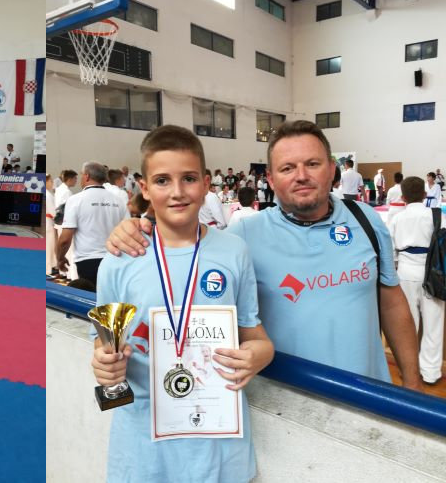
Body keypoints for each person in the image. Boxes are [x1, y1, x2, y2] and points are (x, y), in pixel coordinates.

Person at [105, 121, 424, 390]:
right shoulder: (242, 237)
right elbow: (181, 258)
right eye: (287, 168)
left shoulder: (366, 221)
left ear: (331, 170)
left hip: (369, 395)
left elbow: (392, 303)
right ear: (270, 179)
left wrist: (412, 382)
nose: (301, 175)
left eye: (312, 164)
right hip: (287, 403)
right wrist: (138, 226)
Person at [92, 125, 273, 483]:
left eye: (188, 179)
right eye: (162, 181)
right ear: (144, 188)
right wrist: (104, 366)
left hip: (219, 443)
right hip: (144, 446)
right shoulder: (118, 260)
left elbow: (256, 337)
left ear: (206, 184)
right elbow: (103, 344)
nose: (177, 192)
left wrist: (259, 355)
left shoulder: (233, 252)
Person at [386, 177, 445, 385]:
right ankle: (431, 372)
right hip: (434, 273)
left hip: (405, 271)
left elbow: (390, 251)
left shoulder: (396, 219)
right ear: (425, 194)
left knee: (408, 325)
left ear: (402, 197)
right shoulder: (437, 216)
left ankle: (408, 369)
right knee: (433, 324)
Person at [56, 161, 126, 284]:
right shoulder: (118, 200)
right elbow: (127, 230)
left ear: (87, 176)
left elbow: (65, 239)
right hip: (116, 258)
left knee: (91, 294)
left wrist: (60, 258)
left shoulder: (75, 200)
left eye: (81, 174)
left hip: (88, 260)